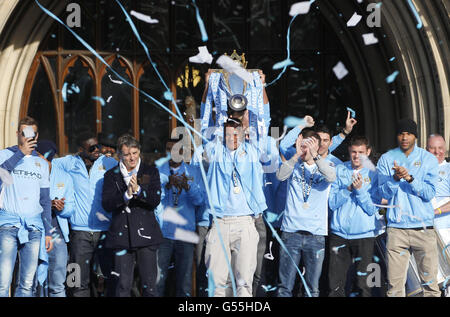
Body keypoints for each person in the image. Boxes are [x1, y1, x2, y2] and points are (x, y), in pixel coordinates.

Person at [377, 118, 440, 297]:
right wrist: (395, 179)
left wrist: (410, 178)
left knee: (430, 287)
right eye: (401, 133)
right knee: (395, 289)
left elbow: (429, 193)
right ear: (397, 136)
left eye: (409, 133)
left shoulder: (428, 159)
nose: (404, 137)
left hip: (423, 229)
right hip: (397, 230)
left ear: (415, 136)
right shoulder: (387, 159)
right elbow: (383, 194)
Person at [204, 118, 266, 297]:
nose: (232, 138)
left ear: (243, 135)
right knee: (216, 284)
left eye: (236, 134)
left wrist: (249, 121)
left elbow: (263, 122)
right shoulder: (215, 152)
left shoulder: (252, 153)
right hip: (220, 222)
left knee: (244, 283)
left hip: (245, 221)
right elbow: (207, 134)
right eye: (228, 135)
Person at [276, 128, 336, 297]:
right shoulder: (294, 165)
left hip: (315, 235)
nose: (306, 149)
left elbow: (331, 177)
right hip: (291, 232)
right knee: (285, 287)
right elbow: (280, 176)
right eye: (303, 145)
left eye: (310, 145)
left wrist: (316, 155)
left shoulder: (327, 165)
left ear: (317, 147)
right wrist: (296, 155)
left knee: (312, 288)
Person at [56, 132, 117, 297]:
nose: (97, 149)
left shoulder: (109, 163)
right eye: (92, 147)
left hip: (104, 231)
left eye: (98, 146)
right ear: (80, 149)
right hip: (79, 232)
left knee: (109, 279)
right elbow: (50, 164)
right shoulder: (70, 163)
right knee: (75, 282)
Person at [102, 134, 163, 297]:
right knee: (122, 286)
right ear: (119, 155)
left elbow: (155, 199)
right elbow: (107, 204)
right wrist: (125, 196)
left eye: (135, 153)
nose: (132, 158)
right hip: (121, 236)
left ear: (139, 152)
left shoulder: (150, 171)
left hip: (146, 235)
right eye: (127, 154)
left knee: (150, 286)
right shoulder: (110, 175)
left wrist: (138, 191)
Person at [0, 116, 52, 297]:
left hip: (34, 227)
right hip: (8, 225)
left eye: (33, 133)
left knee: (27, 284)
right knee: (3, 282)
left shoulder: (42, 163)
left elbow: (45, 200)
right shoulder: (5, 155)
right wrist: (20, 153)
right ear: (17, 134)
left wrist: (48, 232)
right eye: (25, 133)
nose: (29, 137)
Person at [328, 136, 383, 297]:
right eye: (353, 152)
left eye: (361, 152)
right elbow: (332, 203)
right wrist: (348, 189)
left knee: (363, 286)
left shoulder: (375, 174)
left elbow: (372, 209)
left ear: (368, 152)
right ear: (349, 152)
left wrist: (359, 191)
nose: (357, 156)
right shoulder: (339, 170)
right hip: (339, 235)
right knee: (335, 285)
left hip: (364, 236)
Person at [156, 139, 204, 297]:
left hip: (185, 233)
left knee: (184, 284)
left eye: (176, 149)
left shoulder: (194, 172)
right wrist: (165, 186)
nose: (172, 153)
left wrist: (187, 187)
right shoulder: (158, 171)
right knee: (158, 282)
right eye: (169, 149)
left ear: (183, 152)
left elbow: (199, 201)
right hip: (163, 233)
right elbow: (153, 201)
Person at [426, 134, 450, 296]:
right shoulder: (420, 171)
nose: (437, 152)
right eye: (432, 148)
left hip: (446, 230)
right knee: (432, 278)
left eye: (440, 148)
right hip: (425, 233)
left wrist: (435, 212)